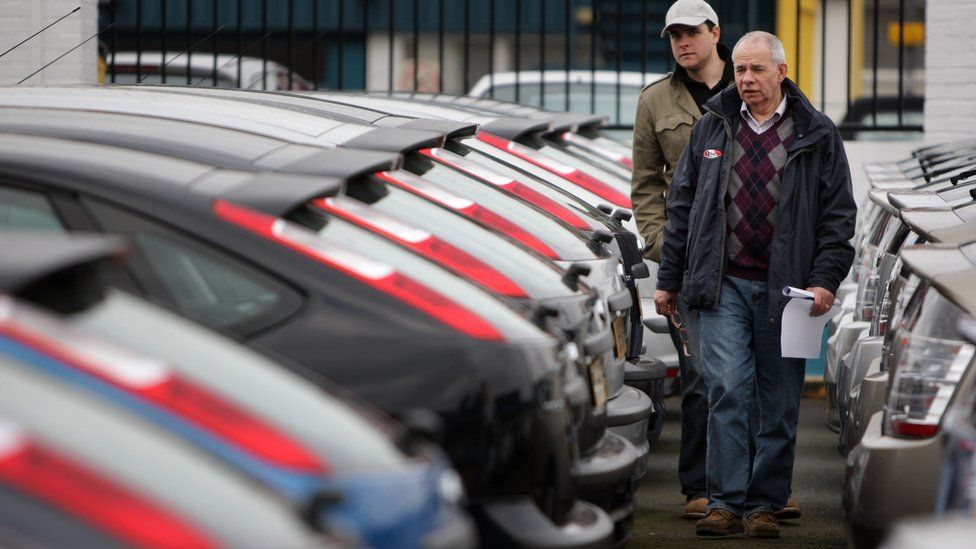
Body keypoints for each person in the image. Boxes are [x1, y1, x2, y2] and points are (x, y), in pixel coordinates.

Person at [653, 31, 856, 539]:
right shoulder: (713, 126)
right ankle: (724, 501)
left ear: (781, 72)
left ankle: (764, 503)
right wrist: (669, 278)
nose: (746, 80)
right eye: (740, 70)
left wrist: (825, 279)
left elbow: (838, 218)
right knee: (727, 389)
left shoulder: (817, 133)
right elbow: (682, 207)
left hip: (787, 294)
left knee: (780, 399)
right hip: (721, 287)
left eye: (757, 70)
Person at [630, 0, 733, 520]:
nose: (681, 43)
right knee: (698, 374)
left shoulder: (753, 81)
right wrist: (658, 240)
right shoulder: (655, 100)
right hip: (688, 258)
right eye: (674, 36)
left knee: (752, 375)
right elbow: (646, 182)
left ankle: (760, 489)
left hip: (747, 254)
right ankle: (700, 486)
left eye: (691, 32)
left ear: (716, 32)